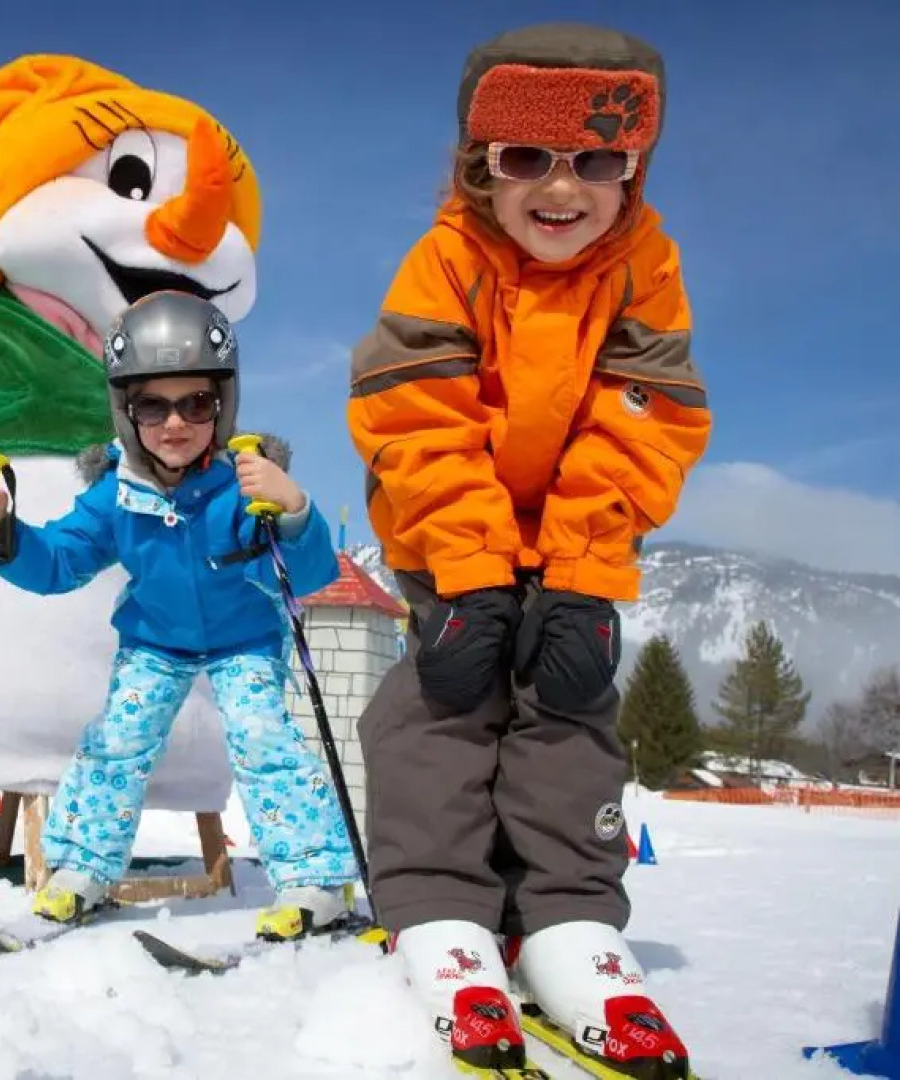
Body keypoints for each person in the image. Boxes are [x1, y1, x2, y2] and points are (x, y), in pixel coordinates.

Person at [346, 22, 711, 1078]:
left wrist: (584, 575)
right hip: (447, 535)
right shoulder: (446, 259)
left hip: (569, 539)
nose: (563, 189)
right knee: (442, 708)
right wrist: (464, 571)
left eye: (597, 161)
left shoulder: (645, 265)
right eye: (525, 160)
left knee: (565, 709)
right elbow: (412, 411)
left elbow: (647, 410)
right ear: (479, 167)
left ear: (630, 168)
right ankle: (438, 909)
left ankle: (567, 922)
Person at [0, 289, 362, 941]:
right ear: (125, 411)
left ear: (222, 404)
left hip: (244, 637)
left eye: (195, 403)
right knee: (116, 742)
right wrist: (4, 533)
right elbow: (60, 561)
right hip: (154, 641)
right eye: (152, 404)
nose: (174, 423)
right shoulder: (115, 492)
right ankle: (80, 873)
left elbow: (310, 573)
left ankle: (316, 881)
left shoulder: (244, 480)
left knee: (264, 739)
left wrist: (291, 510)